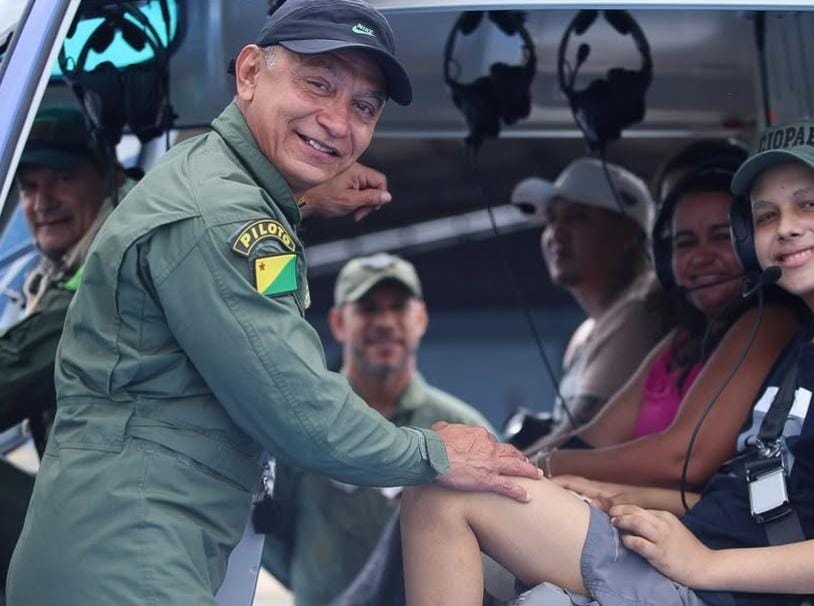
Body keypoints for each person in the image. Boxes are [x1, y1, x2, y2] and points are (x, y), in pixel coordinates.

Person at [5, 2, 539, 604]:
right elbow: (302, 412)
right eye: (319, 83)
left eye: (363, 107)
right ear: (251, 72)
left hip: (123, 547)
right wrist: (439, 453)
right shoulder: (226, 214)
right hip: (130, 559)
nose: (339, 122)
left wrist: (296, 197)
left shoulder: (210, 175)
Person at [398, 119, 814, 606]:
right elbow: (772, 499)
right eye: (765, 216)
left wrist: (705, 565)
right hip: (690, 558)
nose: (786, 227)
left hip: (715, 587)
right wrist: (626, 497)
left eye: (812, 204)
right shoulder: (813, 336)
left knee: (443, 493)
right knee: (438, 487)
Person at [528, 165, 797, 493]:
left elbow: (683, 459)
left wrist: (543, 465)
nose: (702, 256)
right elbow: (594, 437)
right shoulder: (681, 341)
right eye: (686, 243)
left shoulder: (769, 321)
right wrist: (503, 461)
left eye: (721, 237)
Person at [266, 252, 495, 605]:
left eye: (399, 308)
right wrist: (311, 578)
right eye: (369, 308)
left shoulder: (464, 428)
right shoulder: (303, 422)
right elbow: (267, 528)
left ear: (420, 319)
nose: (386, 322)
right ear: (339, 322)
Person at [0, 104, 130, 592]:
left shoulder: (114, 267)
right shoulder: (59, 274)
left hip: (115, 533)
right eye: (29, 187)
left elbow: (10, 375)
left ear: (110, 179)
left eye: (62, 178)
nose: (42, 202)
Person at [511, 158, 669, 435]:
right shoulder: (586, 333)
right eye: (551, 219)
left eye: (578, 217)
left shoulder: (641, 310)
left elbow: (578, 441)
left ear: (629, 234)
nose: (556, 233)